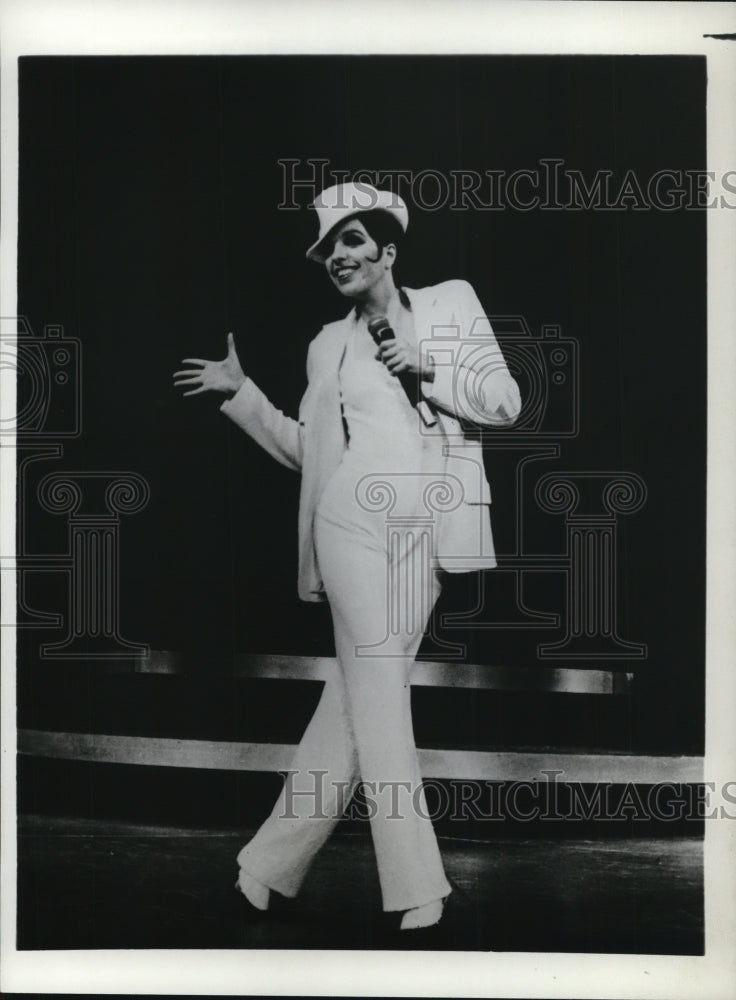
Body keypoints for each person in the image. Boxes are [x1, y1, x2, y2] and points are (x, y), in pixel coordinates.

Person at [173, 182, 521, 931]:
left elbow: (506, 403)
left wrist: (425, 368)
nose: (340, 256)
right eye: (329, 247)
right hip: (349, 527)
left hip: (425, 534)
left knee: (357, 701)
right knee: (381, 698)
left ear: (388, 250)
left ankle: (265, 865)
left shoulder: (452, 304)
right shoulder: (326, 345)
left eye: (354, 241)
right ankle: (420, 884)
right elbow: (312, 448)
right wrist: (246, 396)